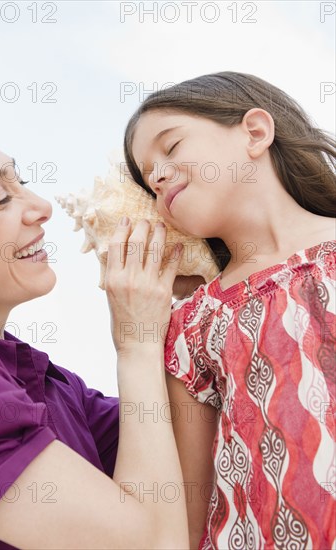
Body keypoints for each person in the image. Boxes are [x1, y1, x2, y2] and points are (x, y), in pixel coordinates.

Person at [0, 112, 191, 549]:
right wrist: (137, 342)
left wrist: (205, 287)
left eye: (20, 180)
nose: (41, 206)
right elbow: (155, 543)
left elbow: (184, 445)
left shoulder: (50, 382)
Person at [123, 71, 336, 550]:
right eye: (147, 178)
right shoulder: (191, 325)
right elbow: (188, 512)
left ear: (255, 133)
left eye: (171, 147)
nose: (156, 175)